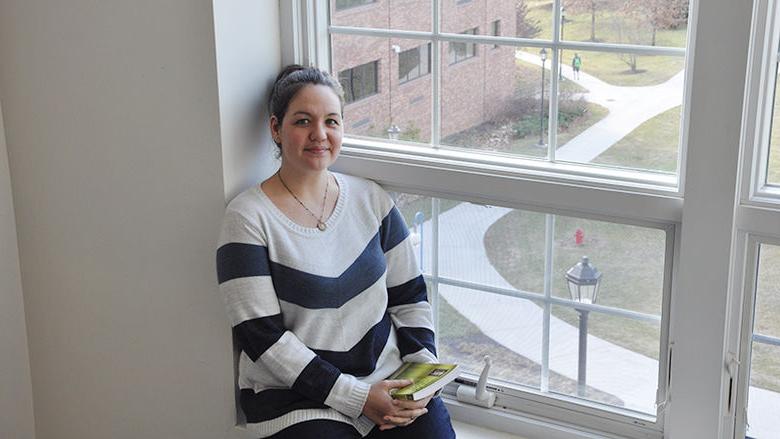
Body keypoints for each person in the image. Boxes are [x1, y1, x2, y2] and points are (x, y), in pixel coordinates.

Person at [216, 65, 455, 439]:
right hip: (294, 399)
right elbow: (261, 337)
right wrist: (357, 398)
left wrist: (422, 373)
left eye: (331, 121)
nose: (319, 135)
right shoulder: (247, 217)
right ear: (275, 128)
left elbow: (409, 297)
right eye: (302, 121)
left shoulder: (372, 199)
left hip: (387, 382)